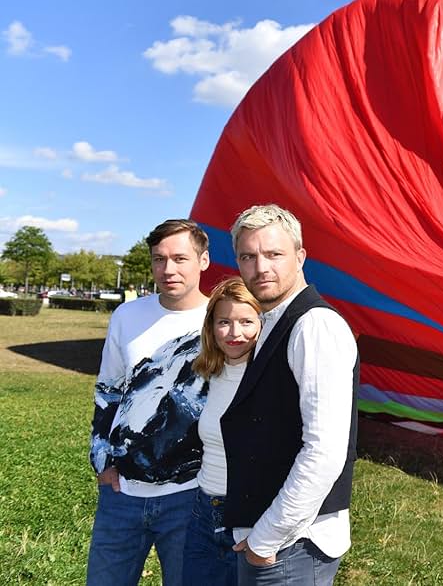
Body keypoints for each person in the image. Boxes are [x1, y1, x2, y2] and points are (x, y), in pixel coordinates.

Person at [223, 204, 358, 584]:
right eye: (248, 256)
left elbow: (324, 452)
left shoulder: (315, 327)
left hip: (292, 545)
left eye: (274, 254)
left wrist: (266, 539)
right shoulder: (274, 320)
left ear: (300, 257)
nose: (261, 267)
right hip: (275, 539)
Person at [87, 219, 211, 586]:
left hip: (191, 496)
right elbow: (108, 390)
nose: (168, 269)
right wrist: (102, 461)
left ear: (203, 260)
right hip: (122, 492)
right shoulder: (127, 316)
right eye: (159, 259)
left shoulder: (222, 321)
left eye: (180, 258)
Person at [181, 277, 262, 585]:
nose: (235, 333)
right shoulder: (207, 375)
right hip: (203, 511)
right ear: (211, 328)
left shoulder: (274, 378)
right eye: (224, 322)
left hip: (251, 518)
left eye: (246, 321)